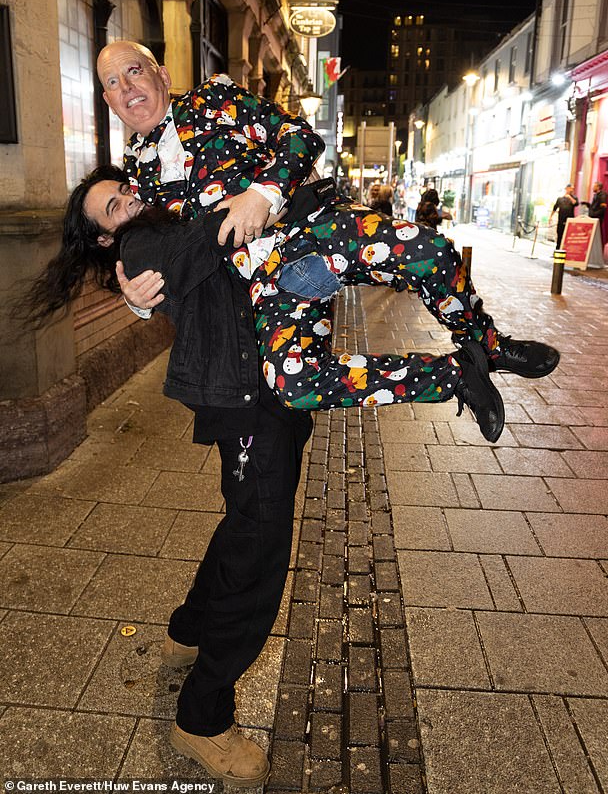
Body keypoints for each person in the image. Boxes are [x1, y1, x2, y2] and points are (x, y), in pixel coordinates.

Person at [22, 167, 518, 783]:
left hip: (268, 393)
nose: (131, 206)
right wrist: (257, 200)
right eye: (114, 209)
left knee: (241, 525)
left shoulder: (167, 216)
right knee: (259, 549)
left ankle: (187, 630)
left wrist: (281, 198)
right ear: (104, 239)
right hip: (244, 405)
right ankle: (201, 717)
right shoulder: (143, 242)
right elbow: (202, 243)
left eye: (126, 193)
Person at [97, 41, 559, 421]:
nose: (128, 88)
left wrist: (263, 194)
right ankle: (456, 375)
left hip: (317, 230)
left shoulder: (213, 100)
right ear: (108, 100)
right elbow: (164, 254)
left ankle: (490, 345)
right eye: (114, 82)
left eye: (134, 71)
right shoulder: (136, 174)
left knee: (429, 250)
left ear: (161, 73)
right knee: (292, 384)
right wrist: (137, 302)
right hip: (267, 285)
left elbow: (300, 136)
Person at [549, 183, 578, 248]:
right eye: (571, 188)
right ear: (567, 189)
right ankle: (557, 249)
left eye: (573, 188)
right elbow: (555, 208)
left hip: (569, 221)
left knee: (568, 236)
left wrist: (570, 197)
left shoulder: (574, 198)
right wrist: (550, 217)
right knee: (559, 235)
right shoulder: (560, 199)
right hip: (561, 220)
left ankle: (566, 250)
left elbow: (576, 203)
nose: (572, 190)